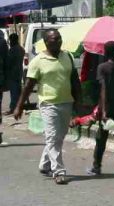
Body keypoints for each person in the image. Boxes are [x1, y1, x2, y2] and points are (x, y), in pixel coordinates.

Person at [13, 29, 81, 185]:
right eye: (54, 39)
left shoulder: (67, 56)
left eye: (59, 38)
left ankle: (44, 164)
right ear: (46, 42)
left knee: (59, 137)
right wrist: (19, 106)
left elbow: (75, 80)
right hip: (48, 104)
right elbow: (28, 85)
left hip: (66, 102)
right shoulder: (38, 61)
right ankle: (58, 171)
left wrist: (79, 102)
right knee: (52, 137)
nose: (58, 41)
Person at [86, 41, 114, 178]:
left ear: (105, 53)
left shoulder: (102, 67)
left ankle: (97, 166)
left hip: (108, 106)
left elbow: (103, 88)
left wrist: (104, 110)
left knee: (101, 138)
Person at [4, 33, 25, 115]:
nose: (10, 42)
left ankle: (13, 108)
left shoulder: (13, 50)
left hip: (13, 73)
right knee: (17, 91)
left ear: (13, 40)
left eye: (10, 40)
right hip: (18, 72)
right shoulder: (20, 49)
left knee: (14, 92)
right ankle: (19, 106)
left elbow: (8, 62)